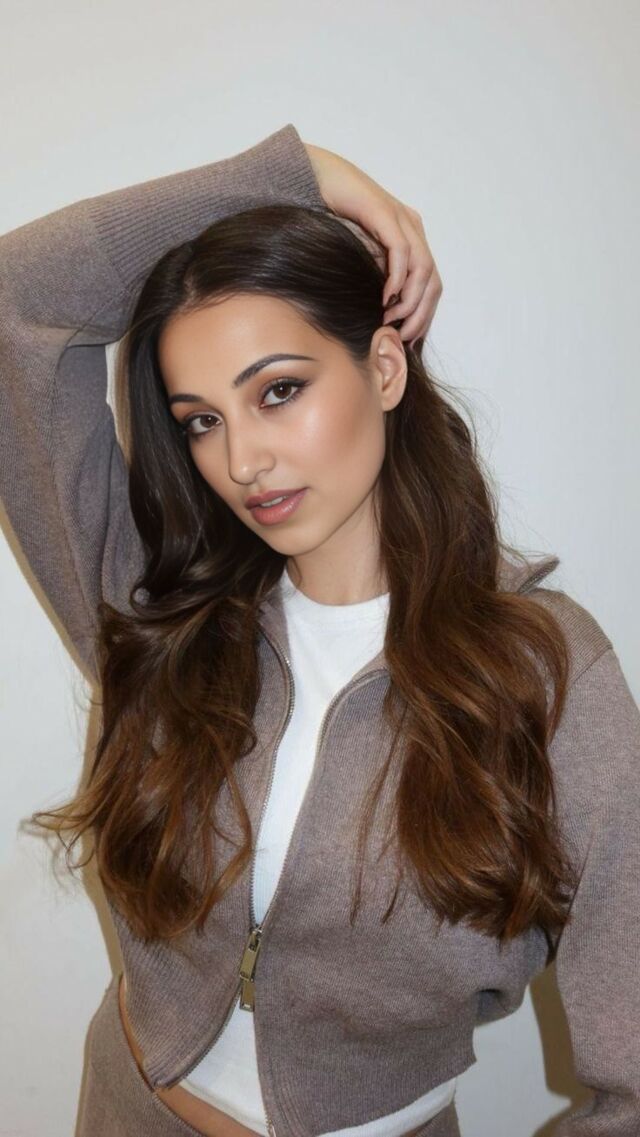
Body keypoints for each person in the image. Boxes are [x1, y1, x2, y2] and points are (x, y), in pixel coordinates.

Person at [0, 124, 638, 1137]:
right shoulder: (159, 618)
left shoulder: (546, 675)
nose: (241, 460)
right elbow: (16, 300)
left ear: (384, 367)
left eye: (279, 391)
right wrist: (295, 176)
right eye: (202, 419)